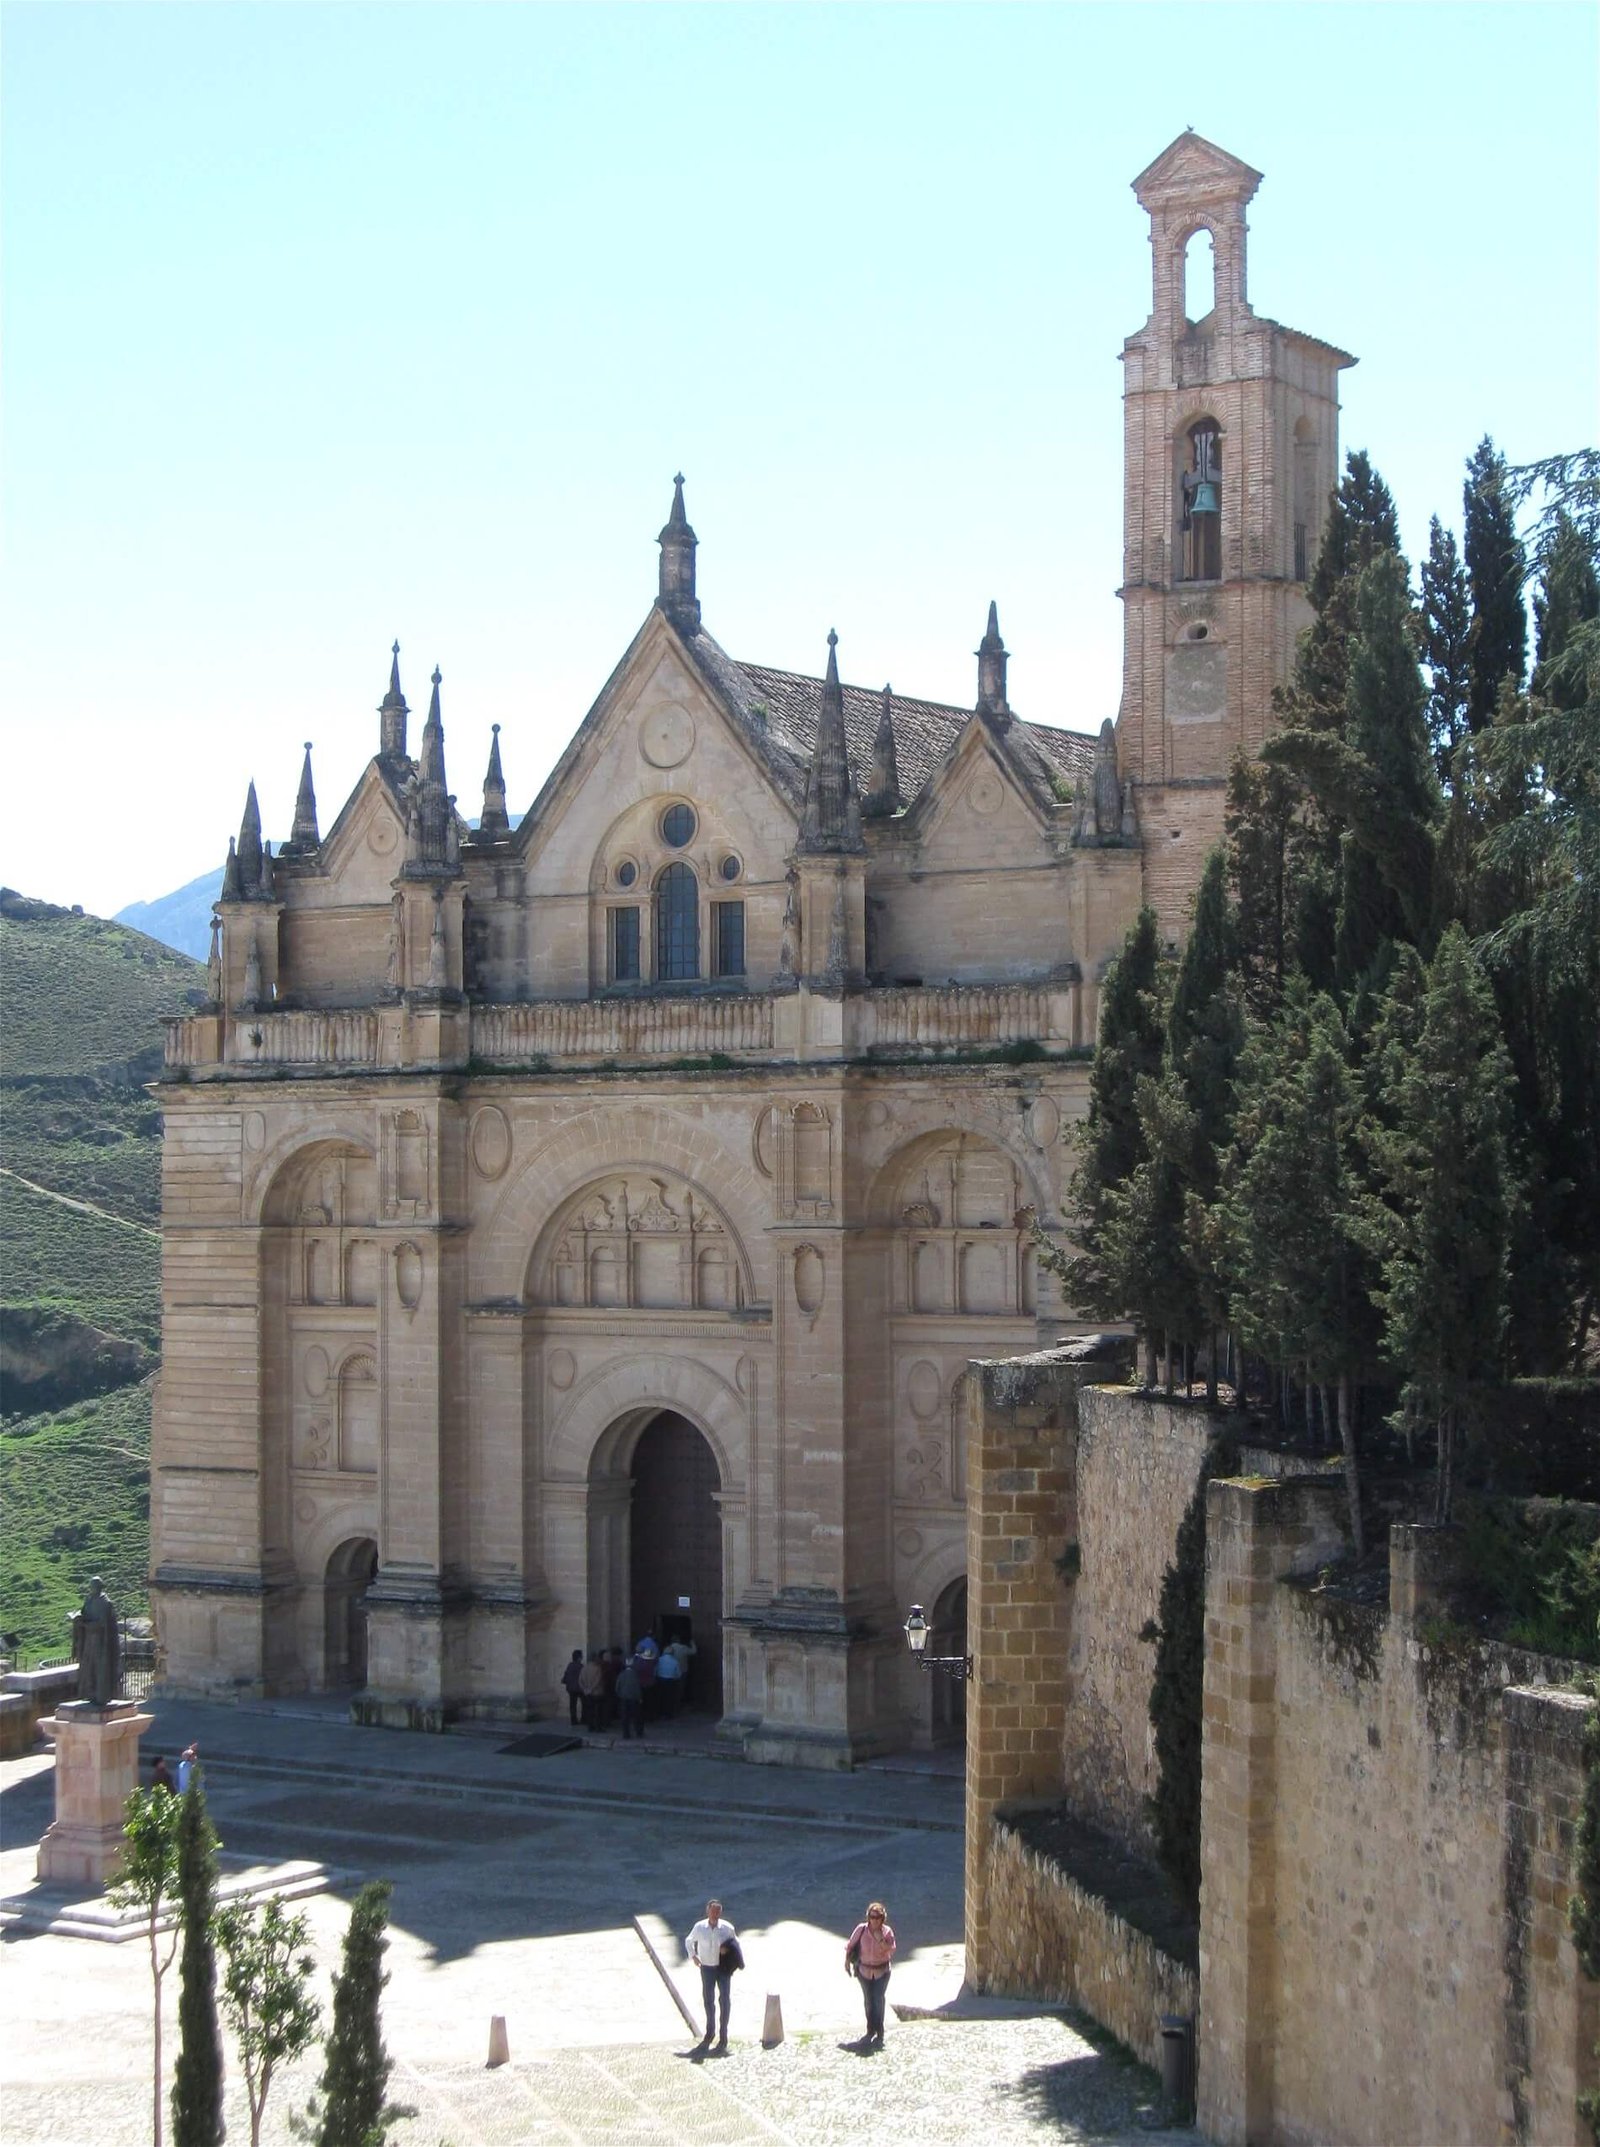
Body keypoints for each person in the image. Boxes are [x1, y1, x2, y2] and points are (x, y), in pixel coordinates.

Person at [685, 1899, 737, 2052]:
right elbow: (689, 1940)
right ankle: (710, 2031)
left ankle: (723, 2033)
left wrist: (728, 1952)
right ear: (707, 1912)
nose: (715, 1914)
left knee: (725, 2000)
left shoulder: (727, 1928)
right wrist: (693, 1956)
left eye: (717, 1912)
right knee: (709, 2000)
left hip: (723, 1968)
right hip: (707, 1968)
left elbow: (736, 1945)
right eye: (712, 1911)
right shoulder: (700, 1927)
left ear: (720, 1912)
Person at [844, 1901, 896, 2047]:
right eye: (872, 1917)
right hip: (864, 1971)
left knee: (878, 2000)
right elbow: (850, 1945)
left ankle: (880, 2031)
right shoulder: (861, 1930)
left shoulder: (887, 1932)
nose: (875, 1920)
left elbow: (891, 1950)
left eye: (878, 1917)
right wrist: (847, 1961)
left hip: (882, 1971)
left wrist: (880, 1940)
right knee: (868, 2001)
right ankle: (870, 2029)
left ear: (882, 1918)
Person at [71, 1577, 121, 1707]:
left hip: (101, 1641)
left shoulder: (105, 1603)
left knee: (100, 1667)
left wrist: (87, 1625)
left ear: (99, 1587)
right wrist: (78, 1619)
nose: (91, 1589)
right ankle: (90, 1693)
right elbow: (85, 1614)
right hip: (89, 1639)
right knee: (88, 1667)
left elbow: (103, 1624)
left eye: (93, 1586)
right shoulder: (89, 1600)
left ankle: (101, 1695)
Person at [615, 1655, 643, 1740]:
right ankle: (638, 1732)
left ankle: (626, 1733)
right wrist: (640, 1697)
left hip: (623, 1698)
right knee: (636, 1716)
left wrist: (620, 1695)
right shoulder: (635, 1675)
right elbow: (638, 1687)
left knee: (625, 1717)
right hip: (633, 1698)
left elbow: (617, 1687)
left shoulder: (621, 1674)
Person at [655, 1641, 683, 1718]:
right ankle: (668, 1714)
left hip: (660, 1680)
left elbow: (655, 1670)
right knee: (669, 1699)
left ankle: (660, 1713)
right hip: (671, 1681)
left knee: (661, 1698)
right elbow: (678, 1674)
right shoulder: (675, 1661)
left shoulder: (659, 1660)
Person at [578, 1651, 605, 1730]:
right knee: (598, 1711)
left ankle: (590, 1726)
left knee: (590, 1710)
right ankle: (598, 1727)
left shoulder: (584, 1668)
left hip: (587, 1693)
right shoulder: (598, 1668)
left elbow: (580, 1680)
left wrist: (585, 1689)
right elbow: (598, 1680)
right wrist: (591, 1689)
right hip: (597, 1693)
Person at [560, 1649, 585, 1728]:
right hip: (579, 1688)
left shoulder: (570, 1665)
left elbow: (566, 1675)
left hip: (571, 1688)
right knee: (585, 1704)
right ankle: (583, 1719)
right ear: (579, 1658)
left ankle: (573, 1720)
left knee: (572, 1705)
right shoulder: (581, 1666)